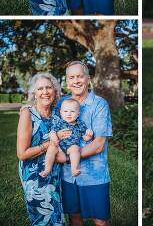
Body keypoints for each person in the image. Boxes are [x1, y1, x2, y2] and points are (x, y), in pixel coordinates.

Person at [58, 60, 113, 226]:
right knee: (74, 216)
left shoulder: (99, 104)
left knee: (100, 220)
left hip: (94, 175)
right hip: (68, 175)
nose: (76, 81)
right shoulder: (61, 104)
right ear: (67, 81)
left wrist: (68, 159)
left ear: (88, 79)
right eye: (71, 77)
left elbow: (98, 145)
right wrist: (27, 109)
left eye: (80, 76)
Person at [17, 72, 67, 226]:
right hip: (34, 177)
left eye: (48, 88)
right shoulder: (27, 114)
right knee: (43, 219)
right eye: (40, 89)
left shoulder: (58, 116)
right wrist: (51, 141)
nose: (45, 92)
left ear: (55, 91)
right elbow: (22, 154)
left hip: (55, 175)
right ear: (34, 93)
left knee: (57, 216)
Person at [41, 99, 94, 178]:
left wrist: (88, 136)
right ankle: (47, 169)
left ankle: (74, 169)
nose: (68, 114)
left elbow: (84, 138)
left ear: (78, 114)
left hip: (71, 146)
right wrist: (53, 136)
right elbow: (52, 131)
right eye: (65, 111)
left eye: (72, 111)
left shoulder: (81, 124)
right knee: (51, 149)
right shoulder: (60, 122)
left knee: (76, 149)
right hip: (58, 146)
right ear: (61, 113)